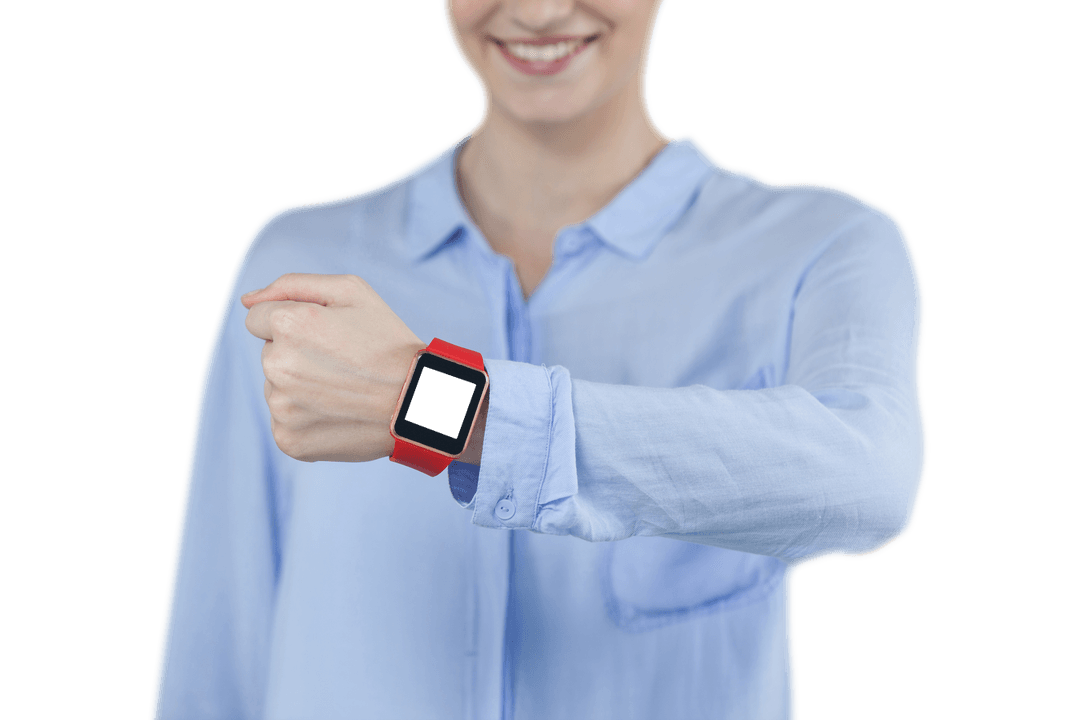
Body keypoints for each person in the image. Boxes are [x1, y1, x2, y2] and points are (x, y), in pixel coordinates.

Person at [150, 0, 928, 718]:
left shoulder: (820, 247)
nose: (538, 9)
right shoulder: (302, 266)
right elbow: (216, 657)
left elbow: (872, 477)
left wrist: (447, 406)